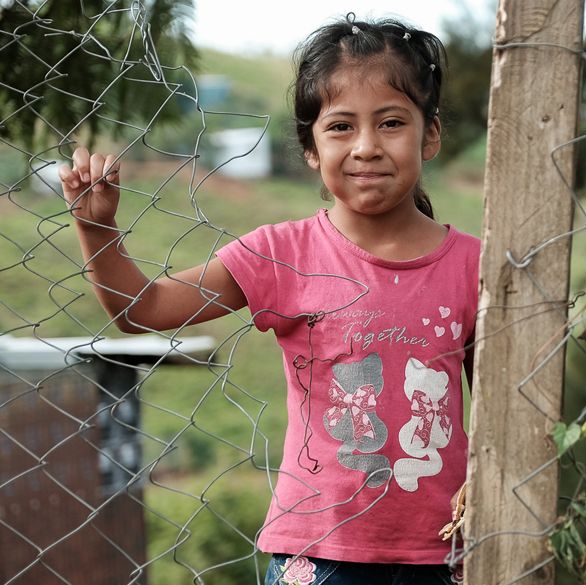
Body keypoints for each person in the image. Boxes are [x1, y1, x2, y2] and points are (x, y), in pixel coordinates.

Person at [59, 14, 475, 585]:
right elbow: (143, 310)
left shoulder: (474, 267)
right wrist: (96, 230)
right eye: (340, 127)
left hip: (449, 554)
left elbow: (506, 408)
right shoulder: (281, 253)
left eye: (392, 122)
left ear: (430, 134)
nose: (366, 147)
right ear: (310, 147)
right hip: (320, 554)